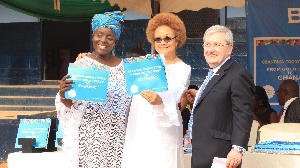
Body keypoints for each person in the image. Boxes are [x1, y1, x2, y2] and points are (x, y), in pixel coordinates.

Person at [55, 11, 131, 167]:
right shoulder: (82, 65)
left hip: (118, 137)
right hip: (89, 138)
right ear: (92, 37)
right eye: (99, 35)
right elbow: (72, 105)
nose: (103, 40)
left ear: (115, 41)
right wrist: (63, 94)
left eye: (109, 37)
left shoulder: (126, 68)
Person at [121, 13, 191, 168]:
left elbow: (175, 92)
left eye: (167, 38)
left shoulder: (183, 68)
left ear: (177, 39)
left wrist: (161, 100)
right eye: (158, 39)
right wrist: (87, 60)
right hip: (138, 127)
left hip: (164, 131)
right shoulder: (143, 64)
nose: (162, 42)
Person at [186, 25, 255, 168]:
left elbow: (243, 114)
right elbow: (220, 100)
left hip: (221, 154)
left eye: (217, 45)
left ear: (230, 48)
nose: (211, 50)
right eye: (207, 44)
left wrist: (237, 149)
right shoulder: (213, 72)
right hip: (202, 152)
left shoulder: (238, 74)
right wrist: (199, 96)